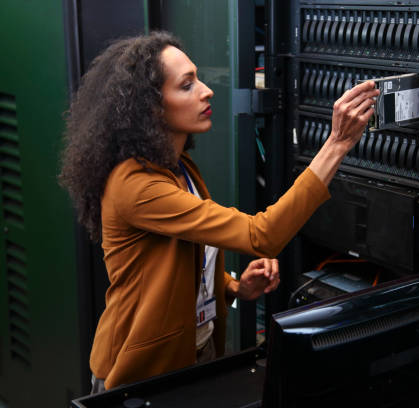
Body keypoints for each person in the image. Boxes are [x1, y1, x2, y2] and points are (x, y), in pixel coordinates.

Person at [59, 31, 379, 393]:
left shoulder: (179, 167)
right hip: (140, 376)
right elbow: (263, 235)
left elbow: (176, 260)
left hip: (193, 356)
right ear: (150, 107)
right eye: (187, 85)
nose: (206, 90)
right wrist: (336, 144)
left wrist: (234, 287)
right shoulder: (136, 186)